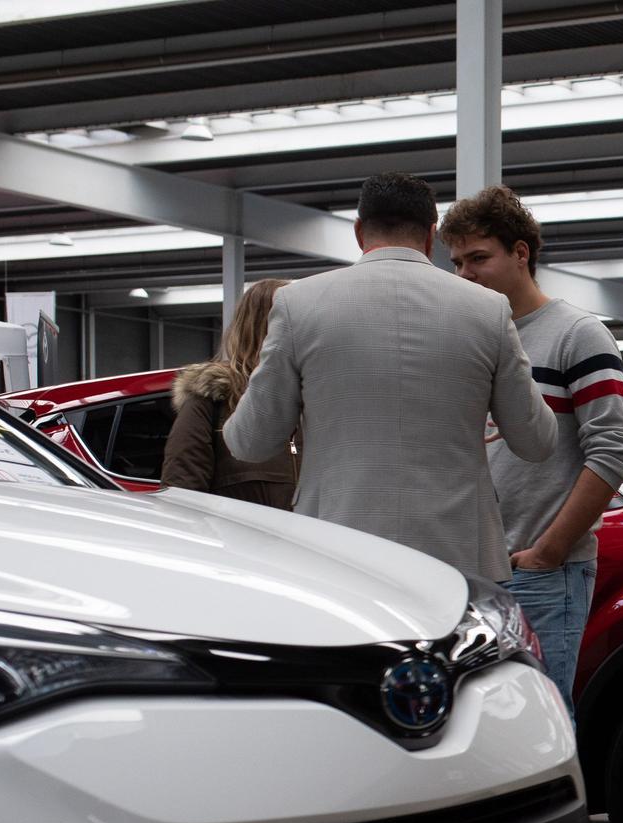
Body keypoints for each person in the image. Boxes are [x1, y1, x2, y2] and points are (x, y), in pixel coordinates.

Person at [224, 172, 557, 582]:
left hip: (336, 553)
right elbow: (537, 441)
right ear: (432, 234)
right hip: (457, 559)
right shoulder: (488, 309)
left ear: (360, 230)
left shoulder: (297, 303)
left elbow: (249, 441)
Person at [441, 185, 623, 710]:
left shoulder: (577, 334)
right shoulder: (474, 336)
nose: (465, 274)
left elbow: (615, 451)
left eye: (479, 258)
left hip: (541, 572)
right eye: (457, 262)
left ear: (521, 253)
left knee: (541, 719)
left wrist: (548, 553)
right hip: (475, 570)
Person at [160, 279, 299, 508]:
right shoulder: (210, 403)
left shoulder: (315, 400)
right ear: (267, 328)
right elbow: (181, 497)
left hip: (320, 542)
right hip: (241, 542)